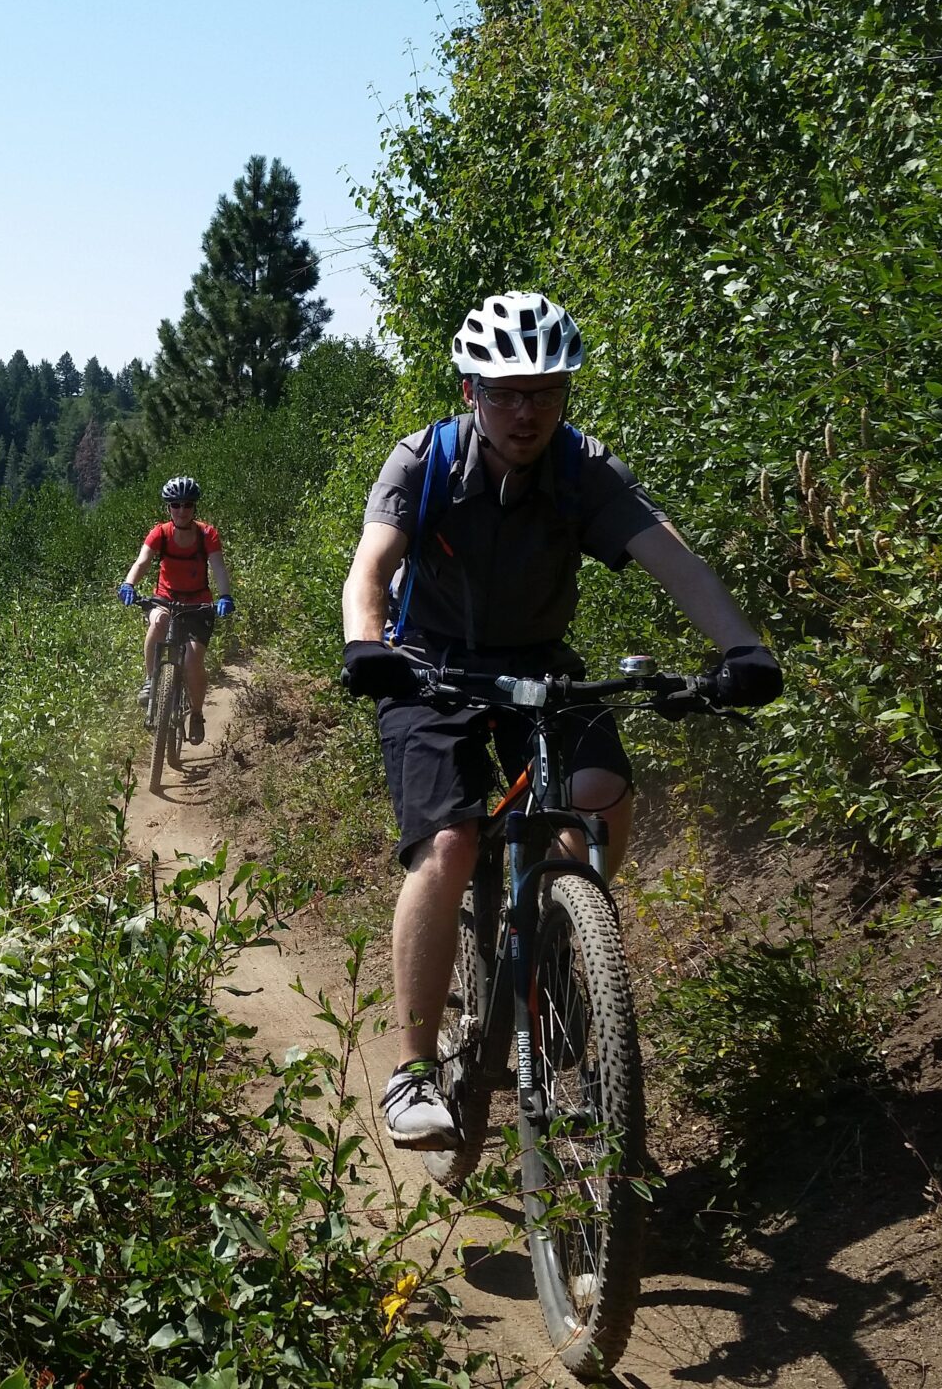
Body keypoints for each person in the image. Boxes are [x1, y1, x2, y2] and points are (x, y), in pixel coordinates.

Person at [336, 292, 783, 1149]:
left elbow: (674, 561)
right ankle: (412, 1070)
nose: (525, 410)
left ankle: (561, 938)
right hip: (426, 667)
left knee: (602, 788)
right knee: (452, 841)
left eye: (544, 390)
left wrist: (742, 650)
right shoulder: (421, 460)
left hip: (539, 665)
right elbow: (372, 567)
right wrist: (367, 644)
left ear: (566, 392)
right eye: (504, 391)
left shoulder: (582, 468)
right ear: (470, 390)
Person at [118, 476, 234, 745]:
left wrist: (225, 595)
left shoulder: (207, 534)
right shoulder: (160, 533)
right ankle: (150, 680)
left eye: (188, 505)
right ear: (168, 508)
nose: (182, 510)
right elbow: (142, 561)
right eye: (176, 505)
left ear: (195, 507)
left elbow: (218, 567)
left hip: (198, 604)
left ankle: (195, 713)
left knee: (193, 661)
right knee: (158, 622)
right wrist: (128, 584)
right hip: (165, 598)